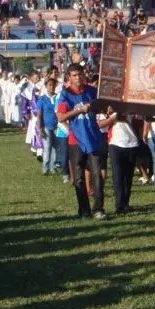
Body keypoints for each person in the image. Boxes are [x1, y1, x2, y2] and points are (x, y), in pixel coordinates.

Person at [56, 63, 108, 219]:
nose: (78, 78)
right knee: (78, 178)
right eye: (74, 75)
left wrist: (105, 109)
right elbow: (61, 117)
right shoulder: (65, 95)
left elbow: (102, 108)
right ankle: (84, 210)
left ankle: (98, 208)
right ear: (69, 78)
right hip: (75, 140)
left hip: (93, 138)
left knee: (97, 175)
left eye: (80, 74)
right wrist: (79, 109)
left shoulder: (92, 91)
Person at [97, 107, 140, 215]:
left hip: (132, 143)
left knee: (128, 176)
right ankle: (119, 205)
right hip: (115, 144)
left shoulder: (131, 105)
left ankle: (125, 204)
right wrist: (113, 116)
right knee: (118, 175)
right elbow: (99, 124)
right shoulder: (106, 108)